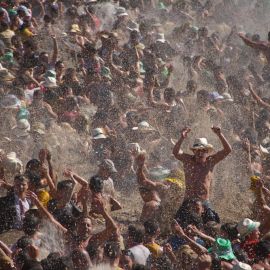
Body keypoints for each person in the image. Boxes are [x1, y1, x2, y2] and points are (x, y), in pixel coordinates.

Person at [173, 126, 231, 222]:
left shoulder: (210, 161)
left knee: (212, 224)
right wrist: (182, 138)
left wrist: (220, 134)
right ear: (194, 151)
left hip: (204, 202)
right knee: (177, 223)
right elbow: (175, 152)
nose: (200, 153)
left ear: (207, 151)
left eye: (203, 150)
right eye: (197, 150)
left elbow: (228, 150)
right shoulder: (188, 160)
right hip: (188, 201)